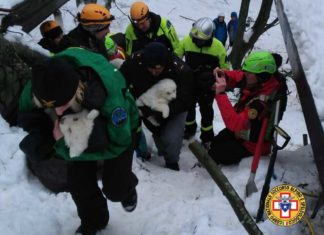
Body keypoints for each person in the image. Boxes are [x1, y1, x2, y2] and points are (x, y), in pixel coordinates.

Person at [18, 47, 139, 235]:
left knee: (116, 189)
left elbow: (118, 145)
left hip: (118, 130)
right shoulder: (39, 86)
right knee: (79, 183)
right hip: (75, 121)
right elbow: (28, 114)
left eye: (63, 104)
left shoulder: (111, 102)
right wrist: (41, 135)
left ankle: (127, 188)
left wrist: (62, 146)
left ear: (78, 90)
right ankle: (94, 221)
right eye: (50, 106)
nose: (58, 112)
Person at [120, 42, 194, 171]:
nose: (154, 71)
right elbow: (120, 82)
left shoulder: (180, 70)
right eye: (151, 68)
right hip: (145, 105)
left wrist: (162, 111)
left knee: (171, 138)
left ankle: (171, 163)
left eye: (158, 68)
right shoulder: (134, 63)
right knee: (158, 133)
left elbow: (186, 100)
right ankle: (161, 150)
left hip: (174, 108)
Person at [208, 51, 285, 165]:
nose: (245, 74)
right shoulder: (260, 81)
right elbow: (238, 75)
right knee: (215, 142)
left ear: (261, 76)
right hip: (242, 133)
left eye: (249, 73)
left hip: (252, 145)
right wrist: (223, 74)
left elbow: (234, 123)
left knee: (215, 154)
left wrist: (220, 94)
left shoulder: (260, 103)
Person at [175, 17, 229, 146]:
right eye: (195, 39)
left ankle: (207, 136)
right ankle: (189, 129)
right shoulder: (187, 41)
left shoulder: (218, 47)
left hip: (207, 86)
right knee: (188, 108)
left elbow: (225, 69)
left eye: (200, 40)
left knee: (206, 111)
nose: (196, 42)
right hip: (189, 83)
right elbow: (176, 58)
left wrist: (218, 79)